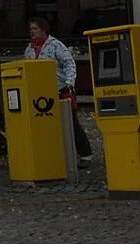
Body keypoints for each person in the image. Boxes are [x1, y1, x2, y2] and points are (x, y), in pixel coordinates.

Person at [24, 16, 92, 161]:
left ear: (43, 30)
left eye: (35, 28)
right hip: (40, 94)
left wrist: (69, 83)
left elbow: (69, 63)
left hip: (61, 90)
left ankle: (86, 154)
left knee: (71, 124)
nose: (32, 32)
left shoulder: (56, 45)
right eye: (30, 29)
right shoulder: (29, 49)